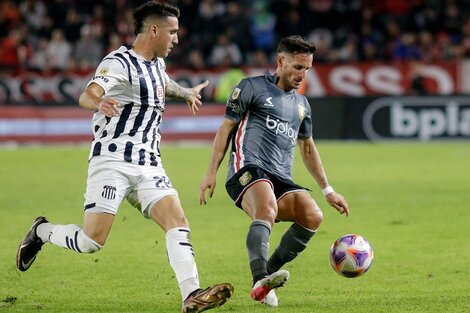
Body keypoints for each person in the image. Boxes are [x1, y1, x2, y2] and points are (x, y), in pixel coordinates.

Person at [16, 2, 233, 313]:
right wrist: (99, 102)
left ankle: (191, 294)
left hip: (149, 163)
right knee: (92, 241)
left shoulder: (157, 64)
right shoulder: (118, 62)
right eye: (172, 32)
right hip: (112, 161)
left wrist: (184, 93)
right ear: (154, 30)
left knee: (177, 221)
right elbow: (86, 93)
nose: (176, 39)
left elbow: (159, 84)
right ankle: (42, 231)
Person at [199, 35, 349, 307]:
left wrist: (328, 190)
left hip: (280, 177)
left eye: (307, 69)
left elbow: (307, 148)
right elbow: (225, 129)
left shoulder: (302, 105)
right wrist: (211, 172)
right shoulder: (250, 87)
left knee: (313, 216)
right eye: (298, 67)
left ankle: (265, 277)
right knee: (266, 208)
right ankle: (260, 279)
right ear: (281, 62)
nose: (303, 75)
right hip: (246, 168)